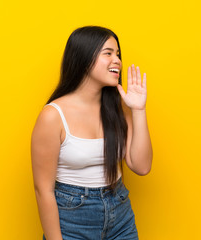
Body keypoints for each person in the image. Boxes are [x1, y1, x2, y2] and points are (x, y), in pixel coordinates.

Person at [31, 25, 153, 240]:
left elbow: (141, 166)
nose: (117, 60)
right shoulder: (53, 116)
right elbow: (44, 190)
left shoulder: (117, 109)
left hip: (120, 214)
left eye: (118, 54)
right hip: (72, 220)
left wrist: (138, 110)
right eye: (108, 53)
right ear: (84, 59)